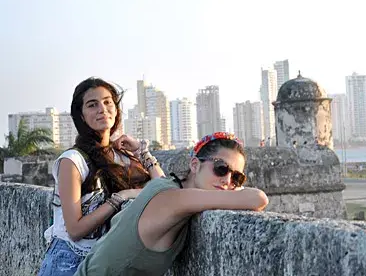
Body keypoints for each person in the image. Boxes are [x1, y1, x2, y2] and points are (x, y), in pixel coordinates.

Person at [74, 132, 269, 276]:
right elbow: (259, 198)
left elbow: (160, 179)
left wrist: (144, 155)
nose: (227, 180)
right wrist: (238, 191)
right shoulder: (175, 199)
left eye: (237, 177)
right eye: (220, 168)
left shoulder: (165, 186)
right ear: (194, 165)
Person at [39, 78, 165, 276]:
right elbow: (75, 229)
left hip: (107, 262)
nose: (102, 108)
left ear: (116, 109)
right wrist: (121, 197)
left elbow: (163, 191)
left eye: (108, 102)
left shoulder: (122, 156)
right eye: (92, 104)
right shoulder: (72, 161)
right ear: (81, 115)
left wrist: (142, 152)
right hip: (69, 262)